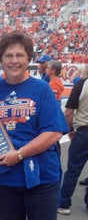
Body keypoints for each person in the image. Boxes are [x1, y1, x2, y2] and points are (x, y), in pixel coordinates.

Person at [0, 30, 69, 220]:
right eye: (9, 55)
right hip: (4, 178)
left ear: (29, 59)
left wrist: (19, 154)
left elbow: (54, 132)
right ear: (1, 60)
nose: (14, 61)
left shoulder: (41, 89)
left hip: (40, 177)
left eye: (20, 55)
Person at [57, 72, 88, 215]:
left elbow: (69, 112)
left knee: (73, 170)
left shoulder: (82, 84)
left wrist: (70, 129)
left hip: (84, 132)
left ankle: (64, 203)